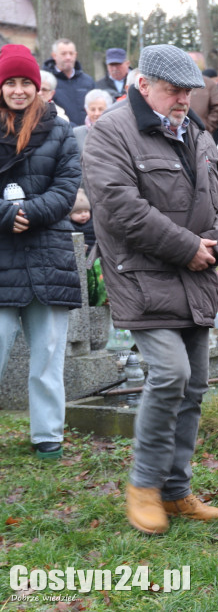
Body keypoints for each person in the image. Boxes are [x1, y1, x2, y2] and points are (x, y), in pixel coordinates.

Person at [81, 44, 218, 535]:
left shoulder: (193, 129)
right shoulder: (111, 131)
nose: (183, 100)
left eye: (189, 92)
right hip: (143, 279)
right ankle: (143, 487)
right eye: (174, 91)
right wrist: (188, 247)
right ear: (142, 83)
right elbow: (120, 209)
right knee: (170, 374)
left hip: (196, 275)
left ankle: (175, 492)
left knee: (193, 383)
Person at [0, 43, 82, 460]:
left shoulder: (62, 130)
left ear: (37, 86)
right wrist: (3, 215)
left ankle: (47, 437)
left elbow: (67, 189)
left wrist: (28, 212)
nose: (17, 90)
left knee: (48, 356)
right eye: (9, 82)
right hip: (2, 256)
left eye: (24, 82)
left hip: (47, 254)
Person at [42, 38, 95, 126]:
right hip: (60, 133)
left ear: (76, 55)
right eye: (63, 54)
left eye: (71, 53)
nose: (68, 57)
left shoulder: (88, 81)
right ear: (54, 55)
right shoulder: (45, 83)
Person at [186, 53, 218, 136]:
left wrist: (206, 128)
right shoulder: (173, 83)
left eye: (194, 61)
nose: (190, 64)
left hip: (201, 135)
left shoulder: (209, 84)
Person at [69, 188, 95, 254]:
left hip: (93, 255)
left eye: (86, 211)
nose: (83, 215)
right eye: (78, 213)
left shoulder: (94, 223)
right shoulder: (69, 226)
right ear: (70, 215)